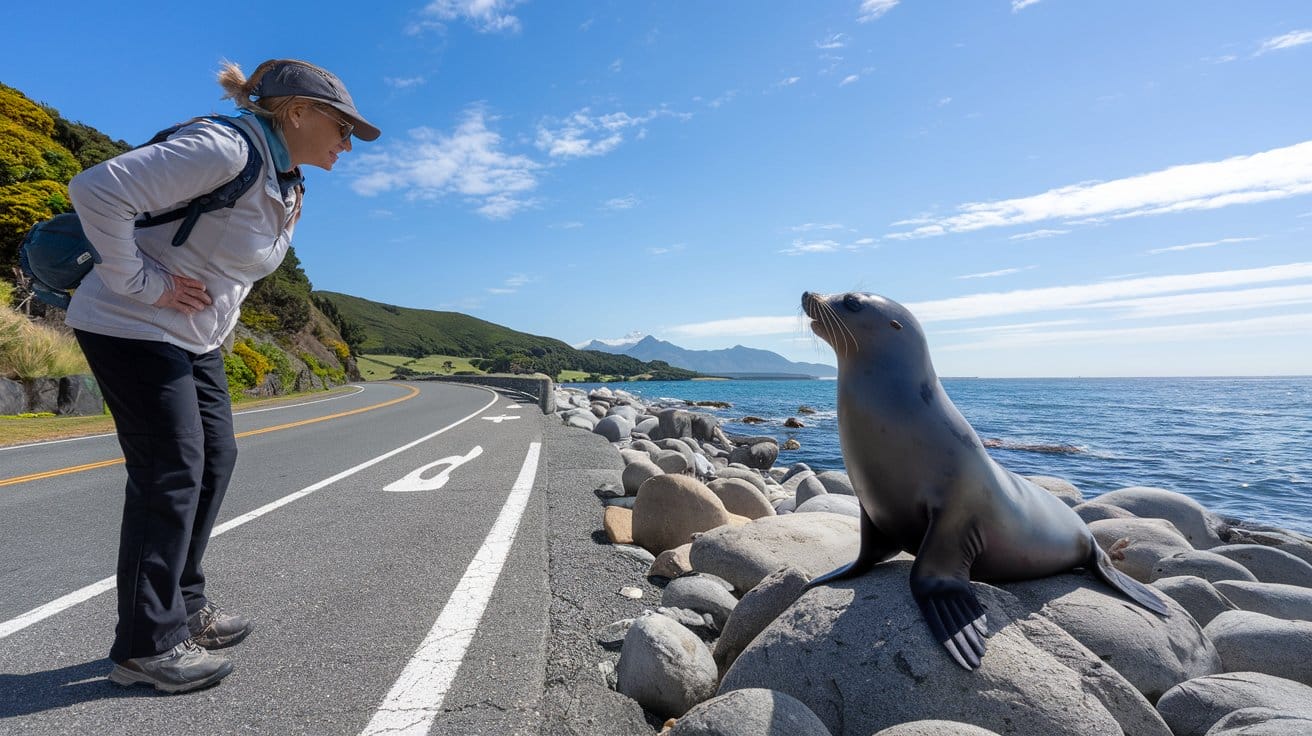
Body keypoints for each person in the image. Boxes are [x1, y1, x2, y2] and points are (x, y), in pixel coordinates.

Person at [65, 59, 380, 693]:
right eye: (341, 127)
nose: (347, 143)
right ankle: (144, 646)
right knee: (171, 469)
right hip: (132, 324)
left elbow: (223, 266)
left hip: (193, 339)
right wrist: (140, 283)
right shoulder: (223, 147)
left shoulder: (283, 178)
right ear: (296, 112)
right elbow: (98, 189)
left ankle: (184, 607)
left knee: (214, 461)